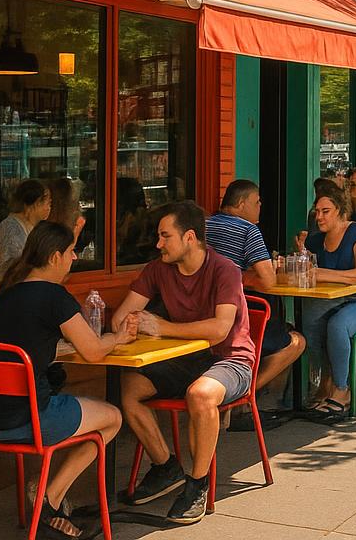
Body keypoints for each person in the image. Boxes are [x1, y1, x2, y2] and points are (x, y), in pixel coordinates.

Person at [0, 222, 133, 540]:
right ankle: (50, 496)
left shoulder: (7, 294)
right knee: (113, 418)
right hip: (28, 420)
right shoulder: (53, 296)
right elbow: (92, 351)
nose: (74, 258)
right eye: (72, 252)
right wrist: (118, 337)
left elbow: (27, 345)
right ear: (54, 256)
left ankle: (47, 497)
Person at [113, 201, 255, 526]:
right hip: (184, 359)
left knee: (200, 395)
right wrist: (130, 324)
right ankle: (166, 466)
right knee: (130, 387)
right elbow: (121, 316)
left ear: (189, 237)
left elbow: (220, 330)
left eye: (165, 236)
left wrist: (161, 327)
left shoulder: (225, 271)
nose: (158, 243)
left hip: (230, 359)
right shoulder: (157, 269)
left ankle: (197, 484)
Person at [205, 180, 306, 429]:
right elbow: (269, 282)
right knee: (295, 341)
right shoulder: (248, 230)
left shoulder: (203, 225)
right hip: (240, 315)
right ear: (241, 204)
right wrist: (253, 275)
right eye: (257, 202)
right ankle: (239, 398)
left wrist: (241, 274)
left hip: (203, 312)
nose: (261, 206)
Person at [300, 182, 356, 423]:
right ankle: (323, 381)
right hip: (333, 301)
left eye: (325, 211)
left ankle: (341, 389)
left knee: (337, 324)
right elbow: (305, 271)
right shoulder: (316, 241)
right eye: (317, 212)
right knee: (310, 318)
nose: (319, 217)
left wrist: (323, 273)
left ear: (339, 210)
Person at [0, 178, 52, 275]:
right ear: (36, 203)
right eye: (48, 203)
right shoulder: (10, 226)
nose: (49, 208)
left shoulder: (35, 226)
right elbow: (10, 266)